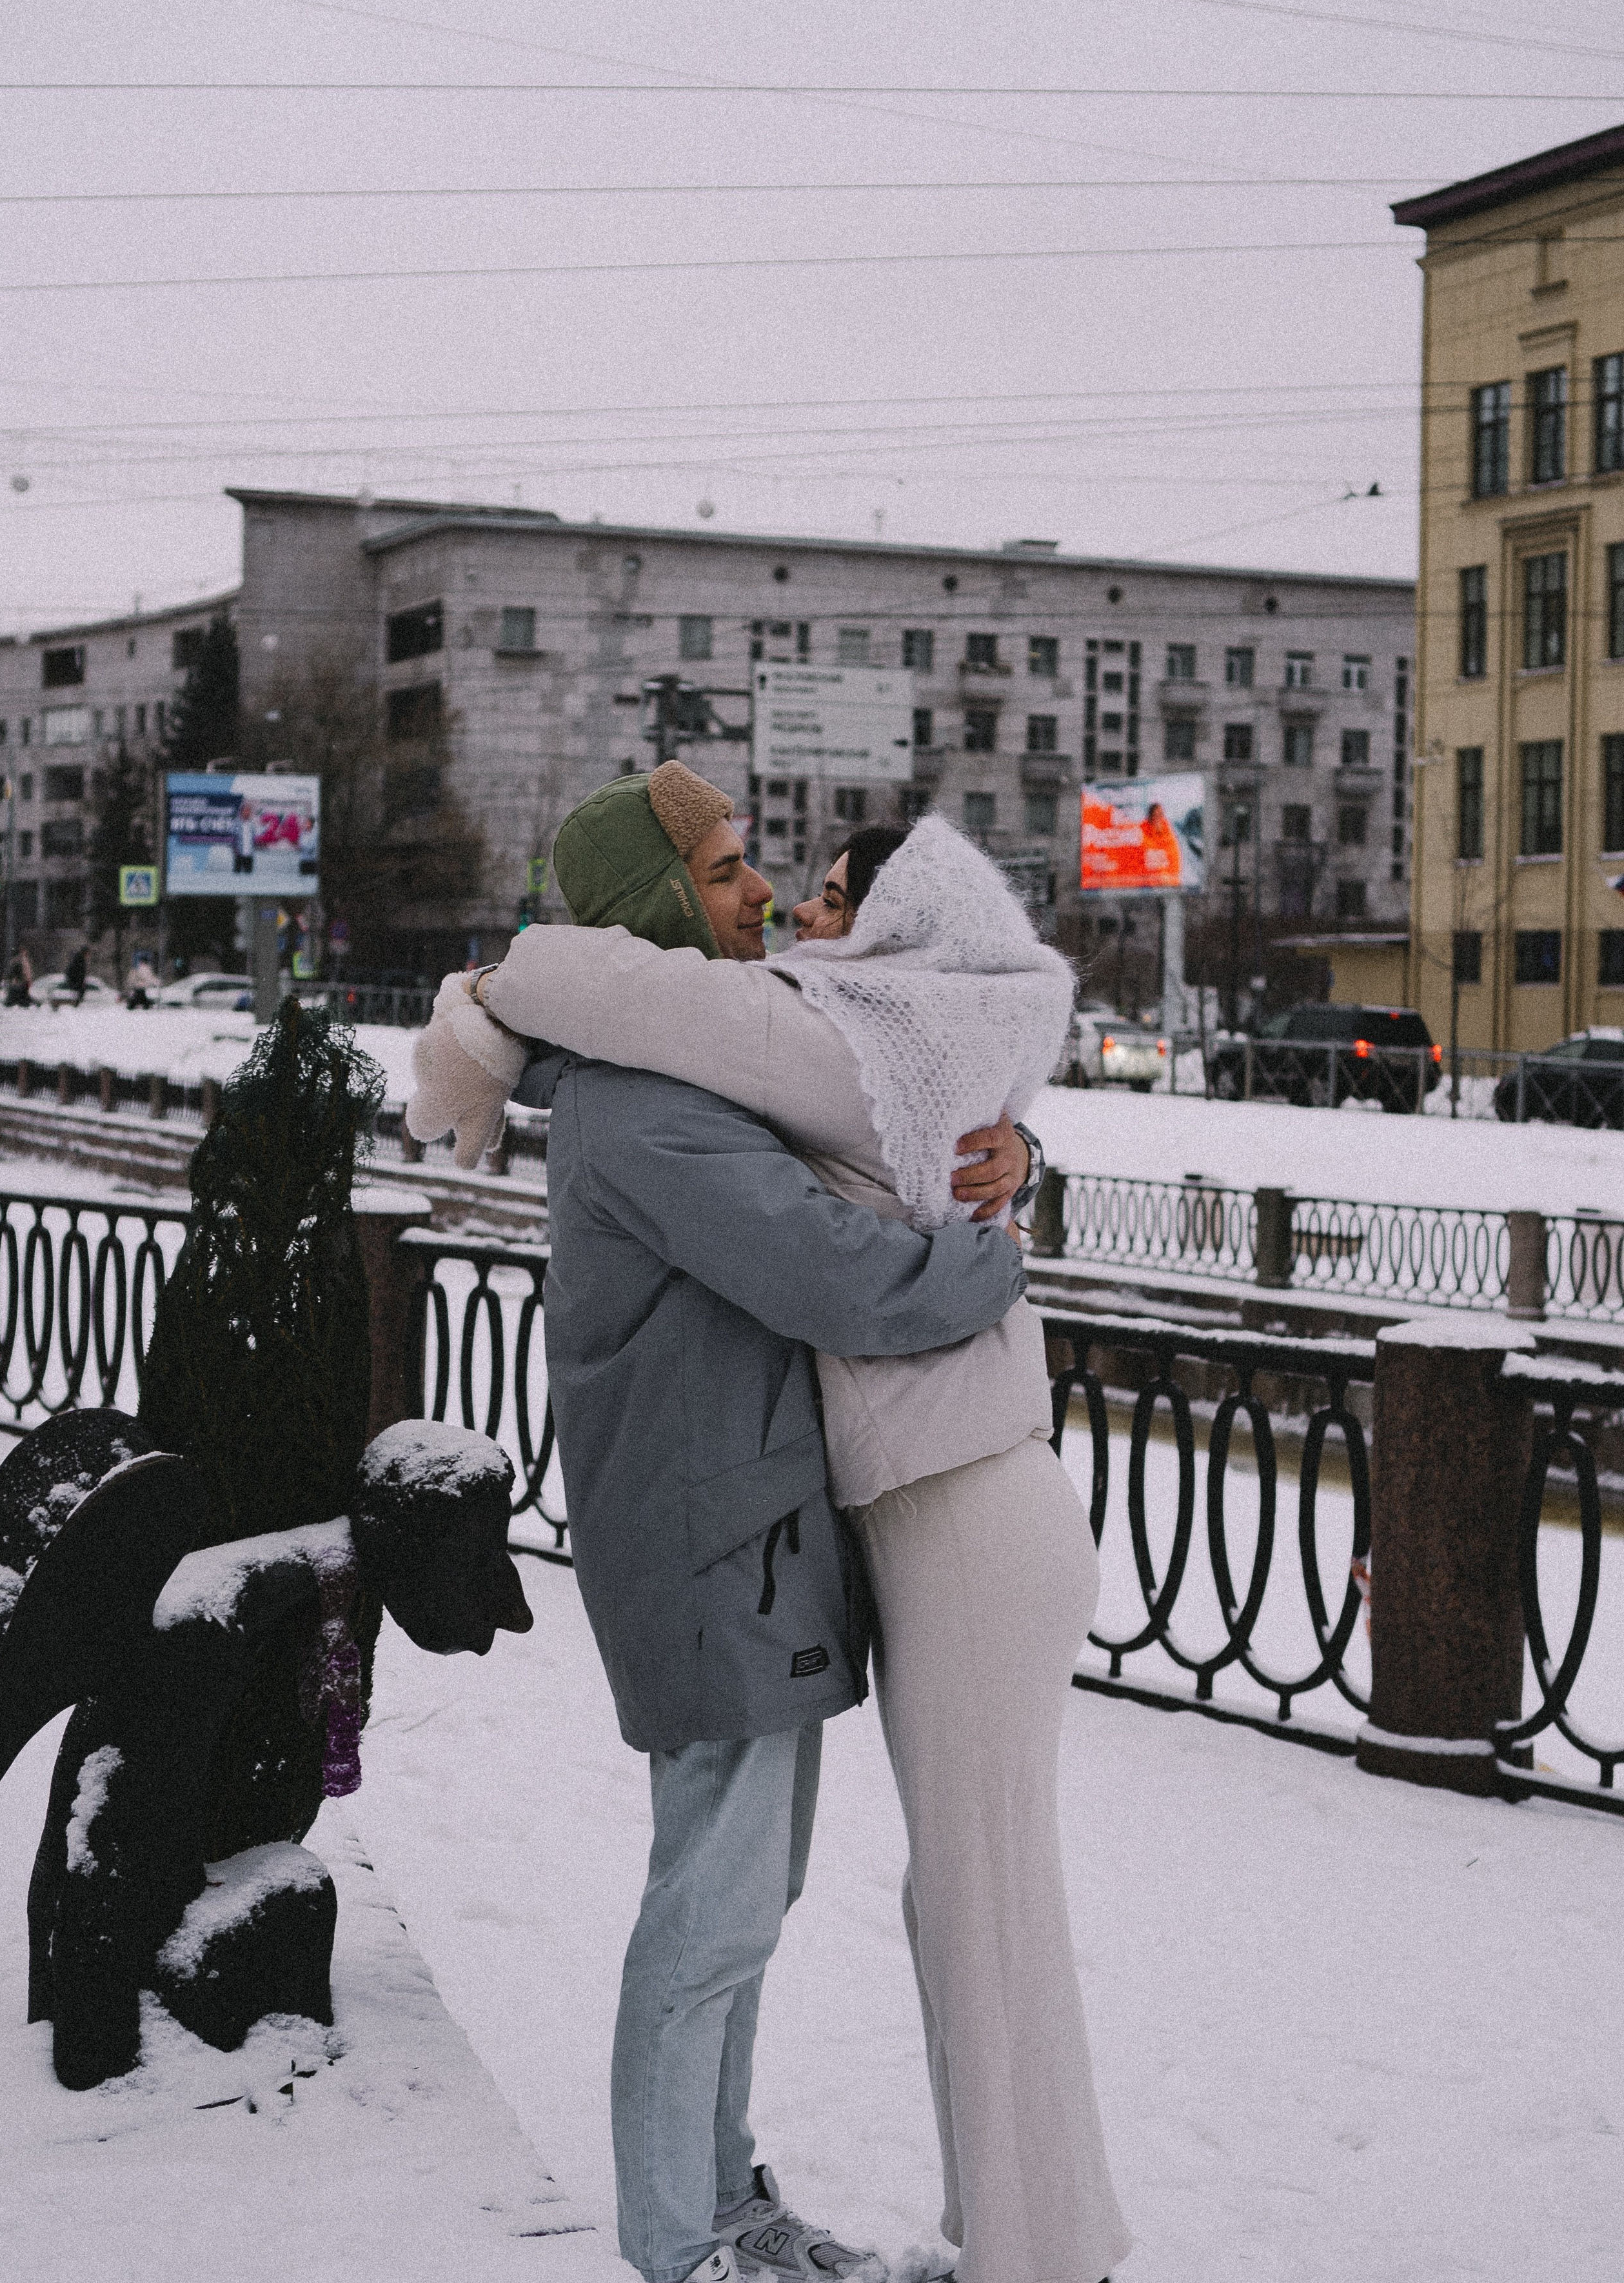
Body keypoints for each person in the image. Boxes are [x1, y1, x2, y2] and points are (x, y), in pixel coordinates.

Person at [411, 778, 1130, 2283]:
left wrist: (1008, 1163)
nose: (756, 899)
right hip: (706, 1551)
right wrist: (993, 1263)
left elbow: (890, 1112)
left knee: (743, 1905)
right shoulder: (642, 1106)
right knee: (710, 1917)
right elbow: (835, 1274)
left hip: (757, 1543)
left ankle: (726, 2207)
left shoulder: (689, 1076)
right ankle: (683, 2244)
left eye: (766, 873)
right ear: (659, 901)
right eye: (730, 873)